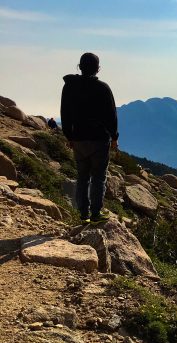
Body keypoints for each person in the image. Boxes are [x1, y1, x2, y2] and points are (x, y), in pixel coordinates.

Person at [60, 52, 118, 224]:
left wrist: (69, 135)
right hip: (99, 139)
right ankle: (96, 214)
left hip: (77, 138)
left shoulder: (69, 86)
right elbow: (111, 116)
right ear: (98, 69)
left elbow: (65, 112)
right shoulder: (103, 88)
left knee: (82, 177)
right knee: (99, 177)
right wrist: (114, 137)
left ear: (79, 66)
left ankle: (83, 214)